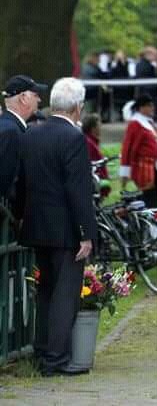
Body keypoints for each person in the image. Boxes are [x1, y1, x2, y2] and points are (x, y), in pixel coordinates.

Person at [15, 77, 97, 377]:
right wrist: (86, 233)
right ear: (78, 107)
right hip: (65, 229)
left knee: (46, 291)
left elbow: (22, 182)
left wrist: (22, 215)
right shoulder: (74, 139)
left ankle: (41, 350)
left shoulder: (32, 134)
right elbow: (78, 190)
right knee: (65, 293)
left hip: (37, 225)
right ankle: (57, 358)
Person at [0, 75, 47, 201]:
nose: (39, 100)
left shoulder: (10, 126)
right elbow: (5, 182)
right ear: (23, 98)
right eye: (36, 95)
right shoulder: (11, 131)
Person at [119, 93, 157, 206]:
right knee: (148, 194)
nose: (152, 108)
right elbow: (127, 148)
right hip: (142, 166)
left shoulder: (148, 123)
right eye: (150, 105)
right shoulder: (135, 124)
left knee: (153, 194)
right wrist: (125, 171)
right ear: (141, 108)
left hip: (154, 165)